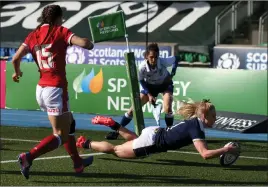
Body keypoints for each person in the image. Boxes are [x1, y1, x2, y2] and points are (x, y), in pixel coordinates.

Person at [11, 5, 94, 179]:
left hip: (41, 89)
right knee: (60, 135)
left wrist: (17, 72)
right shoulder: (60, 31)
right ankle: (28, 157)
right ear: (57, 18)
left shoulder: (33, 34)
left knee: (69, 122)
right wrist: (90, 42)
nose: (62, 21)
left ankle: (78, 163)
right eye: (61, 18)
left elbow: (15, 58)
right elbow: (85, 44)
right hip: (55, 89)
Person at [76, 99, 239, 160]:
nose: (215, 119)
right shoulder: (197, 128)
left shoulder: (194, 121)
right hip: (153, 140)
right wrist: (226, 149)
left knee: (134, 141)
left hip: (153, 132)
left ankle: (114, 124)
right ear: (204, 115)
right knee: (115, 149)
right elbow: (205, 154)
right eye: (213, 116)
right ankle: (85, 143)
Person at [105, 43, 180, 140]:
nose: (154, 60)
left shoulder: (162, 61)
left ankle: (169, 132)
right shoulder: (142, 67)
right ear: (146, 56)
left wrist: (173, 72)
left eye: (156, 57)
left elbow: (177, 58)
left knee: (168, 108)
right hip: (150, 87)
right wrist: (149, 95)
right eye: (151, 57)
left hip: (165, 85)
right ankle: (117, 131)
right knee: (132, 110)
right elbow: (141, 81)